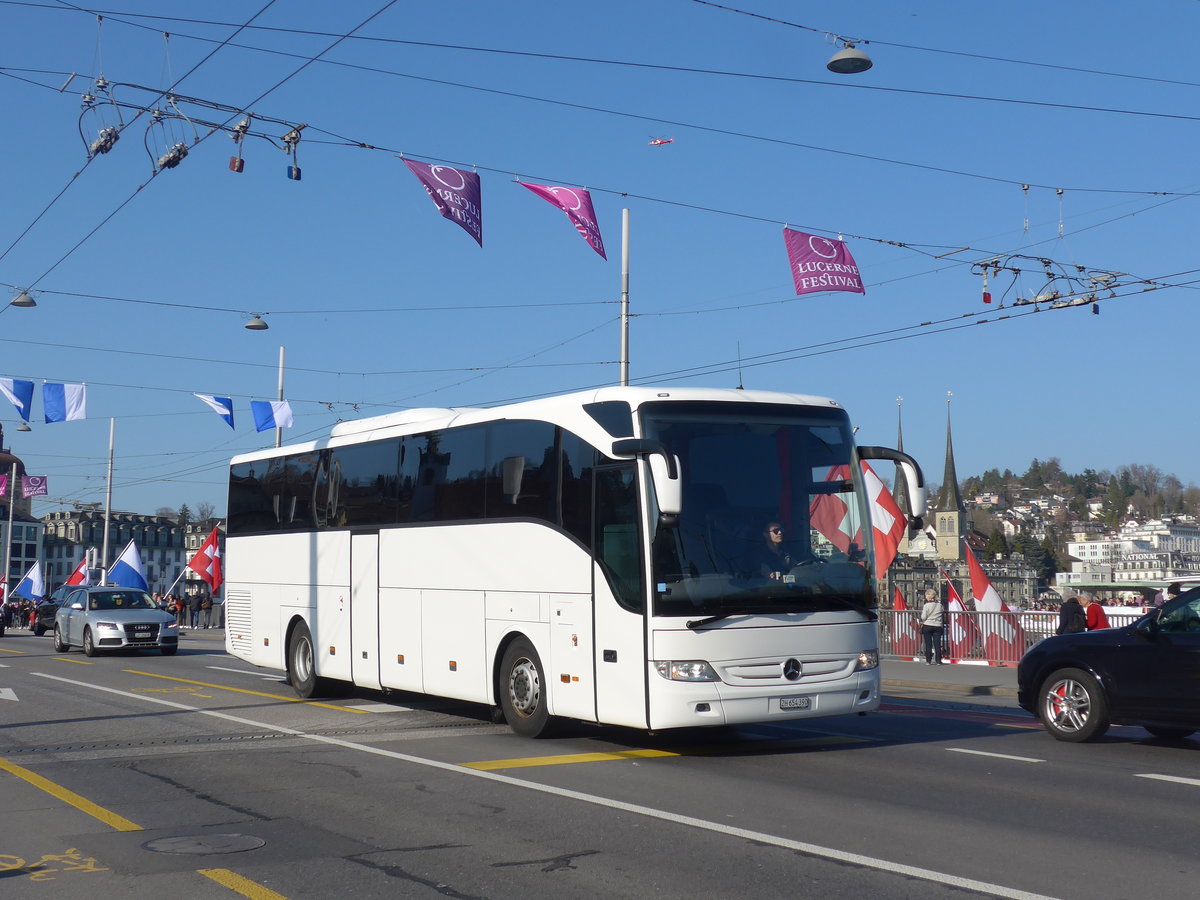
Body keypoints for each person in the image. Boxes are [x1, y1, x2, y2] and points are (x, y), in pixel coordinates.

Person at [919, 588, 945, 665]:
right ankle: (938, 661)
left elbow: (923, 617)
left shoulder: (926, 606)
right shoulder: (940, 605)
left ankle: (928, 661)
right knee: (937, 644)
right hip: (937, 626)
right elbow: (942, 611)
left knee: (928, 644)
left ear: (928, 597)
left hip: (928, 625)